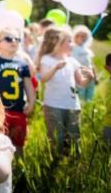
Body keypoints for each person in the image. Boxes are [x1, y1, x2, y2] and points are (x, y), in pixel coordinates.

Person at [37, 27, 94, 156]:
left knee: (74, 135)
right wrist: (55, 68)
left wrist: (89, 77)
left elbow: (81, 83)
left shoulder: (72, 61)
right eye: (69, 41)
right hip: (53, 105)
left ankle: (72, 162)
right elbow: (44, 78)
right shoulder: (47, 59)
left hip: (73, 105)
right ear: (59, 43)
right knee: (57, 137)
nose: (72, 44)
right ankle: (57, 160)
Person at [0, 28, 35, 157]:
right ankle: (0, 165)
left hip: (18, 109)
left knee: (18, 142)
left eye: (17, 39)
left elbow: (28, 85)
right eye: (8, 39)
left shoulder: (22, 64)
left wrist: (31, 102)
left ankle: (19, 167)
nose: (14, 41)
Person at [71, 25, 97, 102]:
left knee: (90, 93)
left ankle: (87, 108)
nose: (82, 38)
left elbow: (91, 63)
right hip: (79, 74)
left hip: (89, 74)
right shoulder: (72, 48)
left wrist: (95, 75)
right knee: (80, 94)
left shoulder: (87, 50)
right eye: (79, 36)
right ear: (75, 37)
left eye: (84, 36)